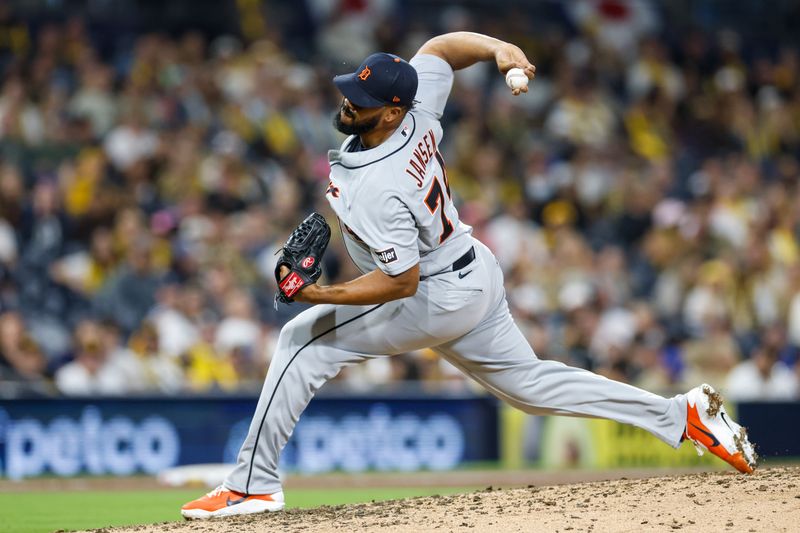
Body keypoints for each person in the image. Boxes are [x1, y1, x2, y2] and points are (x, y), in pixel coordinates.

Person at [181, 32, 757, 520]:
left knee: (300, 341)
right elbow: (438, 49)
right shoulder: (416, 113)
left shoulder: (377, 186)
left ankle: (252, 484)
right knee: (530, 386)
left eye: (362, 100)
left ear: (390, 112)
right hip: (472, 269)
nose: (348, 104)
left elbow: (399, 283)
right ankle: (679, 415)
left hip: (432, 290)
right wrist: (500, 48)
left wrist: (317, 293)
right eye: (351, 92)